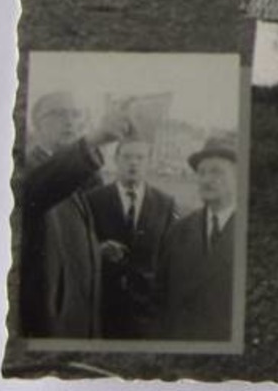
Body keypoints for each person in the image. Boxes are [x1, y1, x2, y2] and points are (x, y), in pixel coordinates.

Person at [17, 93, 129, 339]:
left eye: (76, 114)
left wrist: (94, 250)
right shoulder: (25, 169)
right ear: (36, 124)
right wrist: (93, 140)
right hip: (48, 326)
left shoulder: (69, 176)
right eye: (59, 114)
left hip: (76, 321)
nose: (70, 121)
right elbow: (40, 189)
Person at [84, 136, 177, 339]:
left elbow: (170, 255)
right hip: (103, 302)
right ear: (116, 160)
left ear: (149, 162)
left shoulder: (165, 203)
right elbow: (82, 245)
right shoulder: (94, 200)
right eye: (127, 157)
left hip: (147, 308)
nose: (133, 163)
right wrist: (98, 249)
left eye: (140, 158)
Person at [157, 135, 238, 342]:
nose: (206, 180)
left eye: (216, 171)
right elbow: (159, 299)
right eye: (201, 173)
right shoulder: (178, 231)